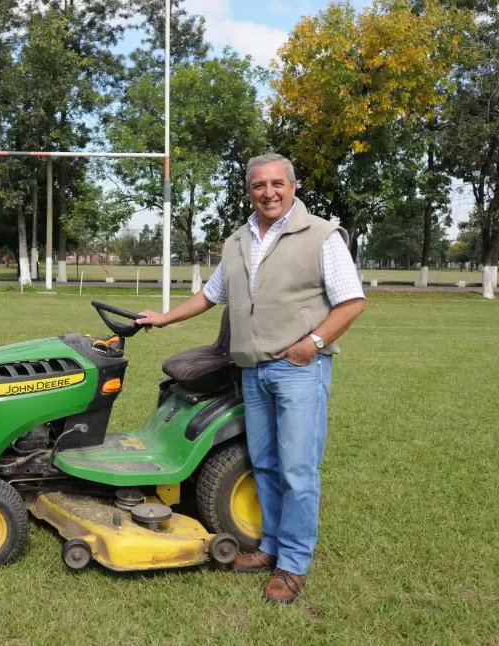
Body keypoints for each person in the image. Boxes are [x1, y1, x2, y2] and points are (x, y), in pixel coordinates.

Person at [136, 153, 366, 604]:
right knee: (264, 464)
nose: (269, 192)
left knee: (298, 470)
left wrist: (311, 345)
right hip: (252, 371)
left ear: (293, 186)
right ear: (249, 191)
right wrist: (163, 319)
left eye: (277, 183)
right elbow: (210, 295)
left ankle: (293, 565)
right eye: (259, 185)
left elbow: (351, 302)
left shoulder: (321, 235)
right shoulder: (239, 241)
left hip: (299, 370)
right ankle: (271, 547)